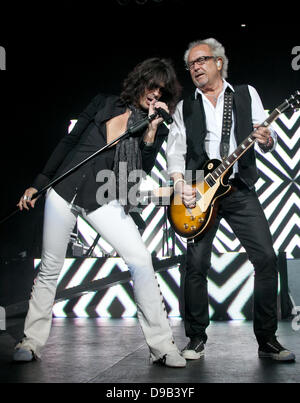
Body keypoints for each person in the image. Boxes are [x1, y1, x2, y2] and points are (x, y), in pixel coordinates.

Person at [13, 57, 187, 368]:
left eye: (162, 91)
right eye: (152, 86)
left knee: (140, 259)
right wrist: (39, 183)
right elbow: (69, 141)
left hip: (104, 196)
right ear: (141, 81)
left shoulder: (154, 126)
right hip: (63, 189)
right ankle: (31, 341)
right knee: (50, 267)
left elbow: (140, 173)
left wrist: (150, 132)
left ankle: (162, 346)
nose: (155, 94)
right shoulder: (103, 103)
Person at [166, 38, 296, 362]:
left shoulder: (245, 93)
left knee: (266, 258)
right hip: (199, 195)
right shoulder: (187, 106)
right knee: (194, 265)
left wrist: (267, 139)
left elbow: (265, 135)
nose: (195, 67)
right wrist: (180, 184)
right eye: (191, 64)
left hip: (238, 189)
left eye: (201, 60)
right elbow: (175, 152)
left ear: (218, 62)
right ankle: (196, 338)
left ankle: (267, 341)